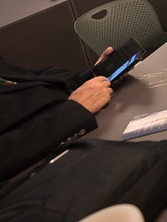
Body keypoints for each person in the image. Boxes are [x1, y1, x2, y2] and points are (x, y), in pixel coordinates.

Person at [0, 48, 114, 181]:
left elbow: (30, 78)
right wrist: (73, 111)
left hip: (81, 118)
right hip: (48, 161)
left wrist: (90, 75)